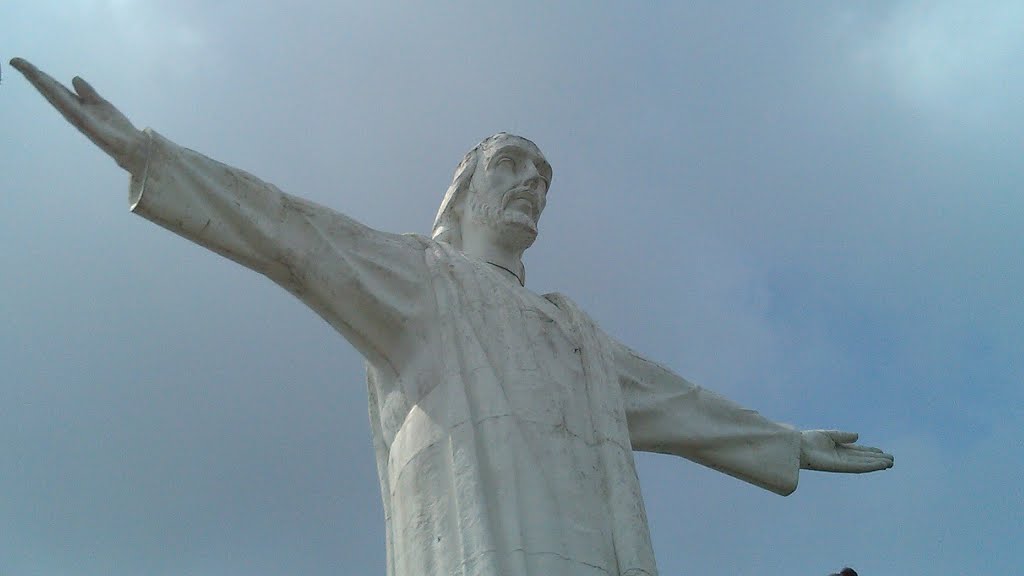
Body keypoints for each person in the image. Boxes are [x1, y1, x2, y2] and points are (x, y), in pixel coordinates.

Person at [10, 58, 894, 576]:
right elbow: (288, 232)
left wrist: (787, 443)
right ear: (465, 188)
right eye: (512, 166)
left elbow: (683, 404)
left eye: (544, 179)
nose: (531, 187)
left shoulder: (576, 335)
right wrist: (149, 154)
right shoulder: (423, 282)